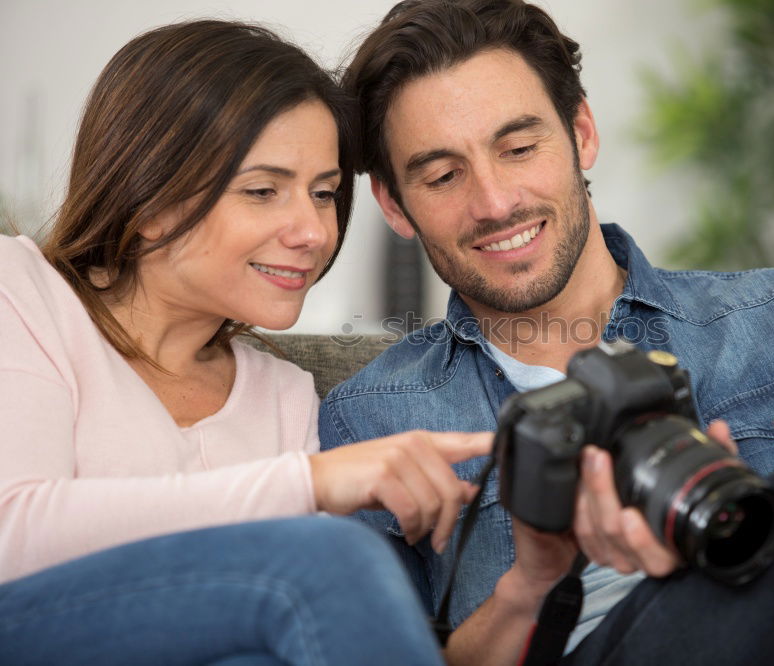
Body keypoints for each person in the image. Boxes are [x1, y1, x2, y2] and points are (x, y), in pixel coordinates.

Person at [320, 1, 774, 664]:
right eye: (443, 175)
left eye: (520, 147)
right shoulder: (373, 418)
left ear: (581, 133)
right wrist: (533, 581)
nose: (495, 203)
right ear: (394, 204)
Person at [0, 20, 492, 665]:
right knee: (331, 560)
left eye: (324, 194)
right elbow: (12, 535)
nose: (314, 231)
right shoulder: (20, 291)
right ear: (148, 198)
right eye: (263, 191)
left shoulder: (281, 394)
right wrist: (307, 482)